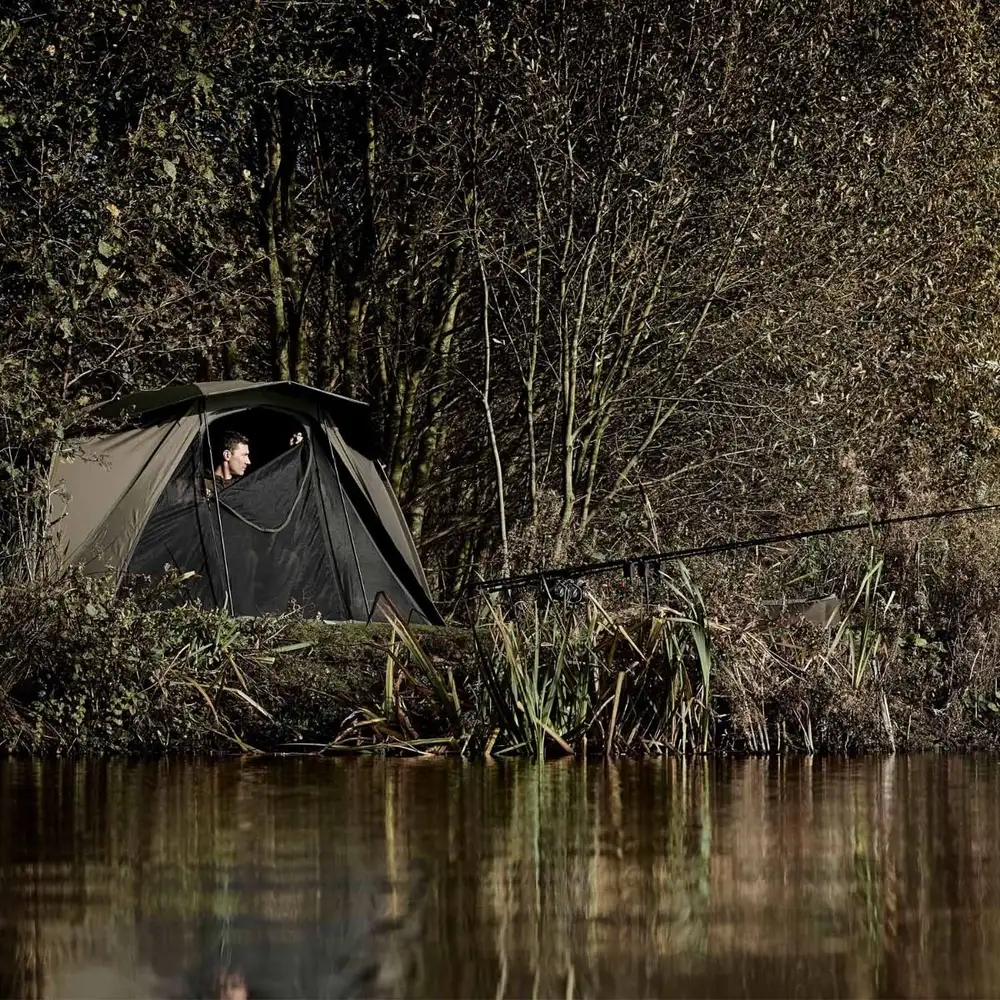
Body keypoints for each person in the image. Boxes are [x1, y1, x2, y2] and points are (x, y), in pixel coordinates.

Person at [204, 431, 251, 499]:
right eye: (244, 455)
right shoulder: (203, 487)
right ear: (227, 455)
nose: (248, 462)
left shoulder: (243, 486)